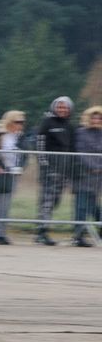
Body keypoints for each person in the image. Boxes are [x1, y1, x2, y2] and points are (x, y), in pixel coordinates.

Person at [34, 96, 76, 246]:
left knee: (55, 201)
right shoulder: (47, 122)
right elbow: (39, 143)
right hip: (49, 170)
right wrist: (44, 164)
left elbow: (72, 148)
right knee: (47, 200)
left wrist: (71, 169)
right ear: (54, 107)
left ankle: (43, 227)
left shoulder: (70, 126)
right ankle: (42, 231)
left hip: (64, 170)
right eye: (59, 107)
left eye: (65, 107)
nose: (62, 110)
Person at [0, 110, 27, 245]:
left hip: (14, 173)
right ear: (10, 121)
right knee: (1, 203)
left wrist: (22, 167)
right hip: (2, 173)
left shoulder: (20, 137)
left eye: (22, 122)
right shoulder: (0, 135)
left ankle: (1, 232)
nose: (20, 125)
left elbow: (25, 154)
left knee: (6, 204)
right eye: (17, 122)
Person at [72, 106, 102, 247]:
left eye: (99, 117)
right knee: (81, 206)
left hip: (98, 177)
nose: (96, 120)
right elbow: (80, 152)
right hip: (84, 175)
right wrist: (93, 167)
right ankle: (78, 236)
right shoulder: (81, 132)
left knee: (94, 206)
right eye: (94, 117)